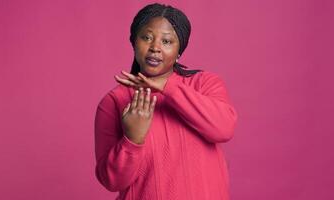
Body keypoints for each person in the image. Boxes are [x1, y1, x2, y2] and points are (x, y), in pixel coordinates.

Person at [94, 3, 238, 200]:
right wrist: (132, 139)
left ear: (180, 51)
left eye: (167, 41)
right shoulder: (114, 102)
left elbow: (223, 129)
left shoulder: (204, 84)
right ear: (134, 42)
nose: (155, 47)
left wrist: (167, 88)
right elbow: (111, 181)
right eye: (146, 37)